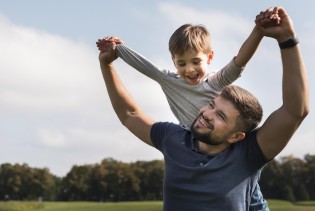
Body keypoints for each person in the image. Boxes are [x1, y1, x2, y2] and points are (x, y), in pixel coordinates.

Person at [97, 6, 309, 211]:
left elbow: (294, 111)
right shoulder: (172, 139)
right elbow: (129, 114)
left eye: (221, 116)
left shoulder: (249, 154)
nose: (207, 114)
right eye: (211, 105)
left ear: (237, 136)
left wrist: (287, 40)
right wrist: (107, 65)